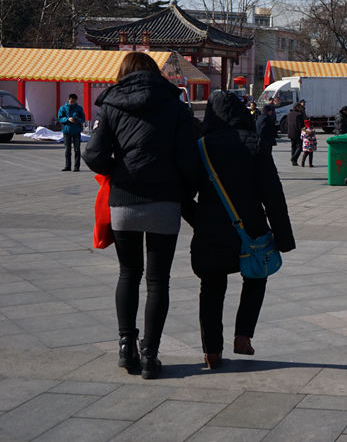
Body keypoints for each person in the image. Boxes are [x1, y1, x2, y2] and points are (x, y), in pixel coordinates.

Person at [82, 52, 198, 379]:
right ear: (154, 73)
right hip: (164, 201)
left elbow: (93, 154)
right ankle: (150, 355)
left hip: (123, 202)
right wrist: (184, 192)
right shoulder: (176, 107)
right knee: (158, 281)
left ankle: (125, 347)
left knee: (128, 274)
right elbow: (189, 161)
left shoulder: (112, 105)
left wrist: (117, 171)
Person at [184, 92, 295, 369]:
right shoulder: (254, 145)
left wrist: (199, 220)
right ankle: (243, 336)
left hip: (210, 232)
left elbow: (182, 195)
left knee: (211, 288)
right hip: (252, 229)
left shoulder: (200, 147)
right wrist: (283, 237)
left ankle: (212, 351)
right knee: (256, 277)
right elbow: (273, 195)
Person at [58, 93, 86, 172]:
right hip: (67, 131)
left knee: (77, 149)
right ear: (68, 99)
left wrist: (77, 120)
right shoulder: (63, 108)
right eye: (71, 101)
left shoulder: (79, 108)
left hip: (76, 131)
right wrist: (67, 119)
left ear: (76, 101)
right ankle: (67, 166)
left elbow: (83, 119)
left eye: (73, 101)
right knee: (68, 149)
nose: (72, 102)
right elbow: (60, 118)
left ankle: (76, 167)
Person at [286, 100, 306, 166]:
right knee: (300, 147)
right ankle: (294, 158)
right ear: (297, 107)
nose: (301, 108)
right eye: (300, 107)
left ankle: (294, 162)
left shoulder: (289, 114)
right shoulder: (299, 115)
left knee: (293, 146)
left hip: (290, 132)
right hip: (297, 132)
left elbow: (287, 123)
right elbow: (301, 125)